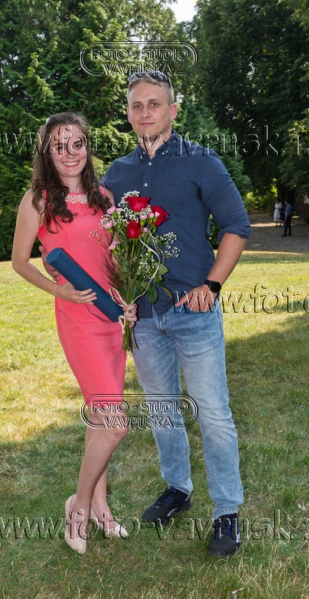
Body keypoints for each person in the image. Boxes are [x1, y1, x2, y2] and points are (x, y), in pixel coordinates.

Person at [102, 71, 251, 557]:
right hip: (143, 317)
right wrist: (117, 294)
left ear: (173, 110)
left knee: (213, 413)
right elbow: (104, 239)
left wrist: (212, 284)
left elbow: (236, 226)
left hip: (193, 312)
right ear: (128, 114)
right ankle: (178, 489)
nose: (145, 112)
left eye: (154, 104)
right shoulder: (116, 174)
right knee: (163, 409)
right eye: (137, 105)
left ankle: (226, 512)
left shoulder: (202, 161)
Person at [12, 112, 137, 555]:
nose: (70, 153)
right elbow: (20, 262)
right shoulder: (38, 200)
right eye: (59, 145)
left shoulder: (105, 197)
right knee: (116, 424)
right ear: (47, 152)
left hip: (110, 318)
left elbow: (113, 259)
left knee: (101, 420)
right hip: (78, 319)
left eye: (77, 143)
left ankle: (101, 510)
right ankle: (78, 507)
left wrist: (126, 298)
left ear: (87, 147)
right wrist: (60, 290)